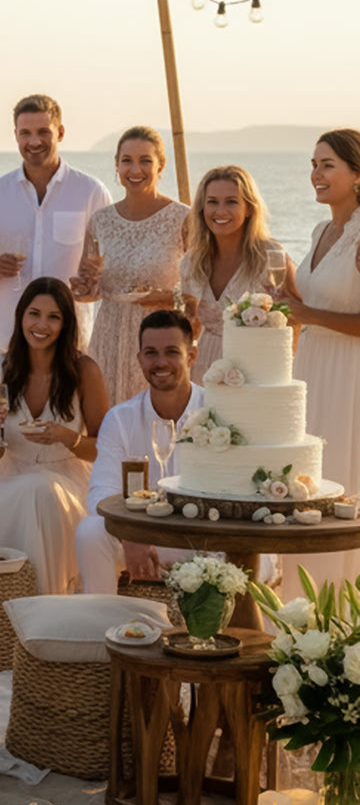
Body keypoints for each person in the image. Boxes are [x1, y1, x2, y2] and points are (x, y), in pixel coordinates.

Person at [0, 278, 108, 594]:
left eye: (53, 317)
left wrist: (68, 438)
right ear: (21, 316)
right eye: (34, 314)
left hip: (69, 481)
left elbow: (103, 450)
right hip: (9, 479)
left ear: (66, 324)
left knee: (43, 491)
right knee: (35, 491)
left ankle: (47, 597)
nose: (41, 325)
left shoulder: (84, 370)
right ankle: (27, 598)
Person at [0, 94, 112, 354]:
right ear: (16, 135)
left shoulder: (91, 192)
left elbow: (111, 261)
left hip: (70, 340)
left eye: (43, 132)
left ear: (60, 132)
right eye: (25, 133)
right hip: (8, 338)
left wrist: (97, 274)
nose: (34, 141)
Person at [75, 312, 206, 593]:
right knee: (90, 532)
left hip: (206, 536)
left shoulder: (218, 413)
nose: (160, 363)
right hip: (143, 534)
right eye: (151, 353)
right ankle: (102, 624)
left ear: (191, 356)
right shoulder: (120, 419)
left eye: (172, 352)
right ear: (139, 359)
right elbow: (101, 493)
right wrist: (130, 536)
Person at [280, 129, 360, 588]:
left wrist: (310, 312)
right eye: (313, 164)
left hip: (349, 375)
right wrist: (288, 303)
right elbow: (314, 304)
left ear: (357, 173)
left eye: (327, 165)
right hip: (312, 368)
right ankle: (301, 609)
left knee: (344, 480)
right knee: (308, 484)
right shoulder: (321, 230)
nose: (316, 174)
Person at [78, 126, 190, 406]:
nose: (135, 169)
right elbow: (91, 291)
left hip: (160, 337)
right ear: (116, 164)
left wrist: (162, 298)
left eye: (145, 161)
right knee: (108, 422)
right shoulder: (100, 221)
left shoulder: (183, 219)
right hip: (108, 335)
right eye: (127, 160)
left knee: (159, 419)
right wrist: (83, 287)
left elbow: (198, 292)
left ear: (161, 165)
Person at [178, 166, 293, 381]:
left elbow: (296, 317)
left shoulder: (271, 255)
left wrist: (282, 371)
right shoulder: (192, 261)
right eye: (212, 202)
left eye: (231, 202)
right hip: (205, 369)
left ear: (249, 208)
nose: (220, 211)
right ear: (202, 208)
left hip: (256, 368)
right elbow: (190, 321)